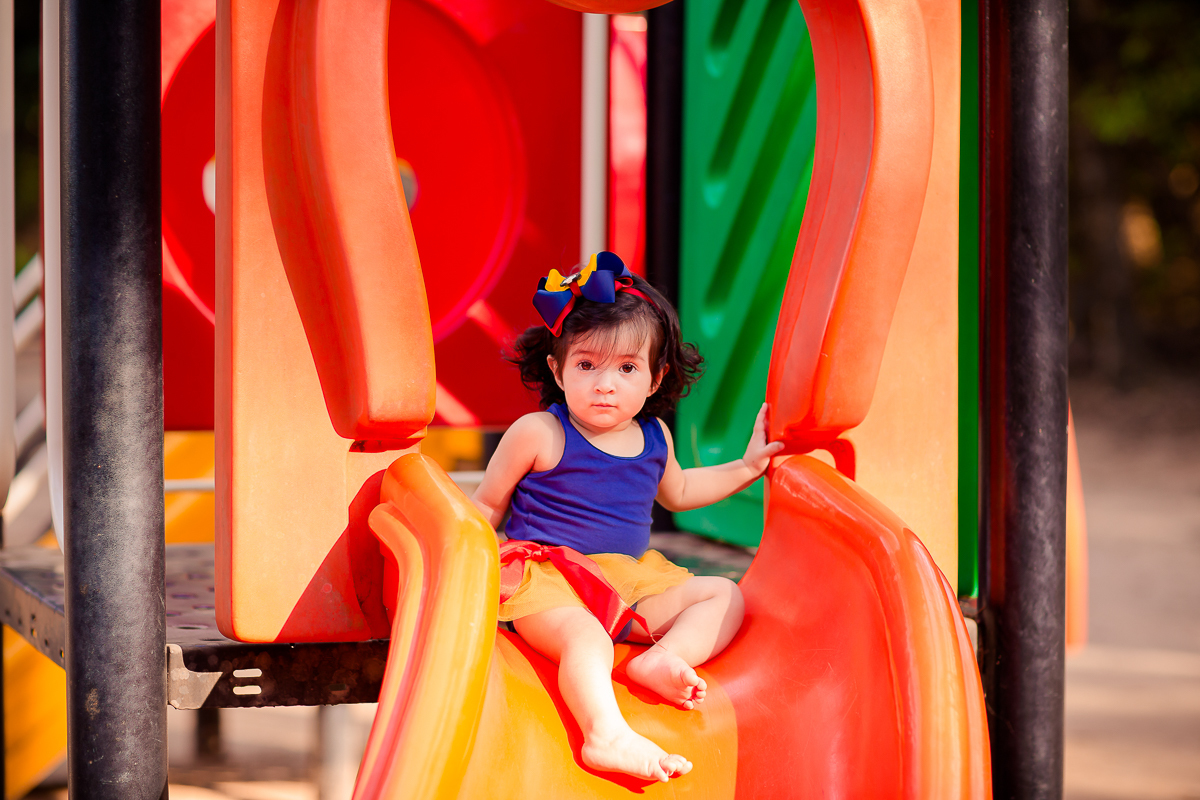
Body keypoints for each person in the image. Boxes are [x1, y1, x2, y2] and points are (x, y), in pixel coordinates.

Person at [471, 252, 783, 783]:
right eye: (587, 365)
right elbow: (483, 508)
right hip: (548, 581)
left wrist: (748, 467)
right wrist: (467, 577)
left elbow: (681, 492)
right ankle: (604, 735)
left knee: (724, 594)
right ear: (557, 369)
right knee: (586, 637)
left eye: (627, 368)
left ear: (656, 377)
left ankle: (661, 661)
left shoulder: (654, 439)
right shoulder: (539, 433)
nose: (605, 384)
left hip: (627, 579)